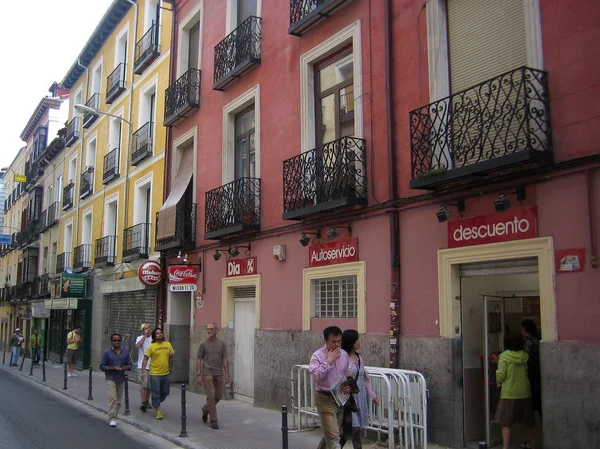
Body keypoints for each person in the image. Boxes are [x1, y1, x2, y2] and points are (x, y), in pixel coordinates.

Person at [491, 332, 536, 449]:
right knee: (528, 423)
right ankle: (534, 445)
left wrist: (498, 381)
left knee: (506, 423)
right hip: (525, 392)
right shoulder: (524, 356)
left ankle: (505, 447)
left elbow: (501, 375)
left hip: (509, 393)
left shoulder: (504, 357)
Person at [310, 326, 350, 449]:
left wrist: (347, 383)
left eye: (339, 341)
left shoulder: (343, 354)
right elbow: (316, 376)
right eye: (334, 341)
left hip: (340, 398)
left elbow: (345, 372)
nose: (337, 344)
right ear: (326, 341)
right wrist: (329, 361)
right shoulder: (317, 356)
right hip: (325, 398)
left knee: (334, 433)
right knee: (333, 436)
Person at [339, 329, 379, 449]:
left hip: (360, 397)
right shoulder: (341, 357)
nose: (359, 342)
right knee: (353, 427)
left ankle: (334, 446)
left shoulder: (359, 358)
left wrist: (373, 395)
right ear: (351, 341)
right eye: (357, 339)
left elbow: (364, 378)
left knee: (353, 430)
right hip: (348, 398)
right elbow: (335, 376)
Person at [196, 322, 229, 430]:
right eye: (208, 329)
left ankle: (206, 409)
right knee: (210, 396)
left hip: (218, 372)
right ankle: (213, 421)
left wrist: (227, 373)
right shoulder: (203, 343)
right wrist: (199, 374)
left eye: (211, 329)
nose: (209, 331)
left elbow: (224, 358)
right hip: (207, 372)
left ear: (216, 330)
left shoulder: (222, 344)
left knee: (218, 396)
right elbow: (199, 359)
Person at [141, 327, 174, 420]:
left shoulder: (168, 344)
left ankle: (155, 402)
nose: (160, 334)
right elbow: (145, 359)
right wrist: (143, 371)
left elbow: (171, 357)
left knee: (165, 392)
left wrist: (171, 368)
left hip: (166, 373)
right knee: (156, 392)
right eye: (158, 333)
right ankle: (157, 410)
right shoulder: (151, 346)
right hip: (155, 373)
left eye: (161, 332)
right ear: (154, 336)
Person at [99, 333, 132, 427]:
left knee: (118, 400)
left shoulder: (125, 352)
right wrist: (112, 368)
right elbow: (102, 366)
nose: (117, 342)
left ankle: (115, 416)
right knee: (112, 398)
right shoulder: (107, 352)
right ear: (112, 342)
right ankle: (112, 418)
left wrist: (125, 367)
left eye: (118, 340)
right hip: (111, 378)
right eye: (115, 340)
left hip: (121, 378)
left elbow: (130, 365)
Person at [135, 323, 153, 411]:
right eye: (145, 329)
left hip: (152, 365)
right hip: (142, 365)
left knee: (149, 385)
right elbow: (138, 346)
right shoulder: (139, 338)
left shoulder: (153, 339)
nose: (148, 330)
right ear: (142, 331)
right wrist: (144, 336)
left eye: (148, 328)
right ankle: (143, 402)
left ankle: (147, 401)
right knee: (144, 384)